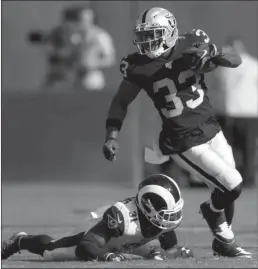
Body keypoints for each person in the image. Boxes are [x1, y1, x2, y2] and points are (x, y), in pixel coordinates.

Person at [102, 7, 252, 257]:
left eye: (154, 34)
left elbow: (234, 60)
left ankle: (223, 242)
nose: (147, 41)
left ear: (170, 32)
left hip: (211, 127)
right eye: (144, 35)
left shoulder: (192, 43)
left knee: (227, 188)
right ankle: (212, 214)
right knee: (233, 184)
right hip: (183, 138)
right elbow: (121, 101)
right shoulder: (137, 65)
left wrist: (212, 52)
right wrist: (112, 135)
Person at [1, 174, 193, 262]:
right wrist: (107, 256)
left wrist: (171, 253)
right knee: (51, 252)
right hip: (98, 233)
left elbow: (170, 249)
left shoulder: (160, 221)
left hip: (128, 241)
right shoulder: (120, 218)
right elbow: (87, 244)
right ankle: (20, 241)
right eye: (167, 212)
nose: (172, 217)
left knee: (151, 253)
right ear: (148, 206)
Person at [213, 37, 258, 187]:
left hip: (241, 114)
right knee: (245, 149)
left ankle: (241, 180)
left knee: (236, 148)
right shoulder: (225, 67)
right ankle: (244, 180)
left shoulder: (251, 65)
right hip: (239, 114)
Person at [75, 8, 116, 90]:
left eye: (86, 19)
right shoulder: (77, 37)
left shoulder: (101, 36)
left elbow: (110, 59)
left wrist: (93, 64)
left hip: (93, 78)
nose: (83, 22)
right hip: (77, 78)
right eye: (81, 19)